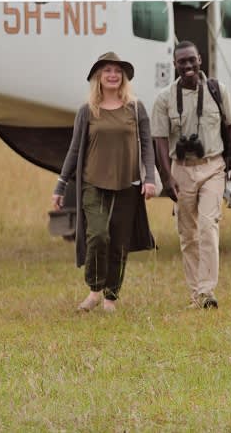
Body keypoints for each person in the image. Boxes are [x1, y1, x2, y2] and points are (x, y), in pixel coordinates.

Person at [52, 52, 158, 313]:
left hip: (127, 184)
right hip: (93, 183)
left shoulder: (135, 108)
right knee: (98, 235)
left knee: (120, 243)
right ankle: (94, 290)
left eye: (117, 71)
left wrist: (150, 179)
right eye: (107, 70)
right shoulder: (87, 111)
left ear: (123, 77)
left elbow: (147, 145)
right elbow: (75, 150)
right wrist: (61, 185)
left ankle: (111, 298)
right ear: (98, 77)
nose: (113, 75)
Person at [151, 41, 231, 310]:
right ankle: (196, 294)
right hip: (181, 169)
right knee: (188, 234)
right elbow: (158, 140)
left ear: (200, 59)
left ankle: (207, 290)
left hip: (213, 166)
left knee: (207, 225)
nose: (188, 66)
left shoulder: (218, 91)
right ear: (175, 65)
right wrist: (166, 177)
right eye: (182, 62)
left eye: (192, 60)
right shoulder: (164, 99)